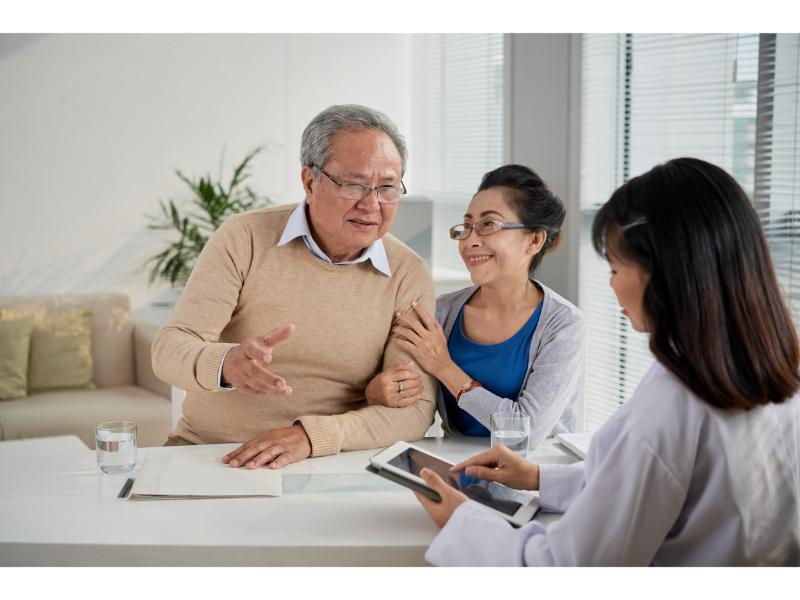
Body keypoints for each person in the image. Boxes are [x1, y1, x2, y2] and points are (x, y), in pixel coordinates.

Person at [412, 157, 800, 566]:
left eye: (615, 267)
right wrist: (537, 478)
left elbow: (566, 567)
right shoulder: (774, 377)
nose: (612, 284)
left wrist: (460, 520)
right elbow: (642, 484)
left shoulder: (670, 405)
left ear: (667, 271)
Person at [151, 104, 437, 469]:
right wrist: (226, 364)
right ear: (309, 181)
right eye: (354, 184)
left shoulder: (407, 273)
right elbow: (168, 350)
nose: (372, 205)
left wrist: (311, 436)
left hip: (334, 462)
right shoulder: (244, 238)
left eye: (387, 188)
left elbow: (414, 411)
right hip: (212, 454)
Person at [365, 164, 585, 450]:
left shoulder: (563, 324)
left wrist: (444, 367)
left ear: (534, 239)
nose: (470, 240)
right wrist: (376, 392)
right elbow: (408, 400)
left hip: (537, 471)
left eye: (489, 225)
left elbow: (525, 431)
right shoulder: (440, 313)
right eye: (466, 227)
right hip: (458, 464)